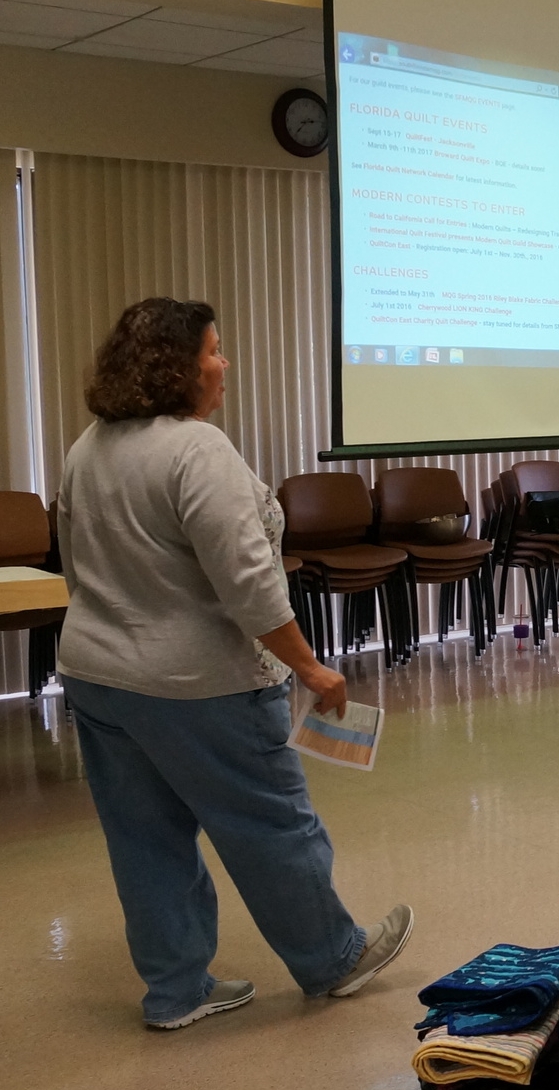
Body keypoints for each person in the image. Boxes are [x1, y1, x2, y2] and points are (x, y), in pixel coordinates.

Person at [56, 297, 412, 1030]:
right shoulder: (197, 450)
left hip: (98, 676)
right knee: (273, 824)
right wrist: (311, 668)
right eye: (214, 351)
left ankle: (176, 991)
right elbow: (247, 582)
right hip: (199, 683)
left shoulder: (88, 446)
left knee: (144, 838)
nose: (224, 364)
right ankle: (333, 959)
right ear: (177, 368)